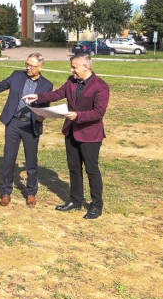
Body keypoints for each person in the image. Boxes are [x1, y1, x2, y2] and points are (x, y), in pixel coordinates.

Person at [23, 53, 110, 220]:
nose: (72, 70)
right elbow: (56, 94)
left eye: (74, 67)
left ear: (86, 66)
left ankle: (96, 205)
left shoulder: (100, 86)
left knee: (91, 170)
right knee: (74, 168)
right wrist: (38, 96)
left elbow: (99, 112)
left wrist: (78, 115)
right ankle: (75, 200)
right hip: (71, 132)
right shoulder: (71, 81)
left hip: (90, 135)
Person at [0, 53, 53, 207]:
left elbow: (45, 107)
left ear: (41, 66)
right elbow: (1, 86)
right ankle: (6, 192)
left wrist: (42, 117)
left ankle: (31, 193)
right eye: (27, 64)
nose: (28, 68)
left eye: (32, 66)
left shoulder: (47, 85)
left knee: (31, 161)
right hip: (13, 124)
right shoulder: (17, 76)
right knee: (9, 159)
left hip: (31, 126)